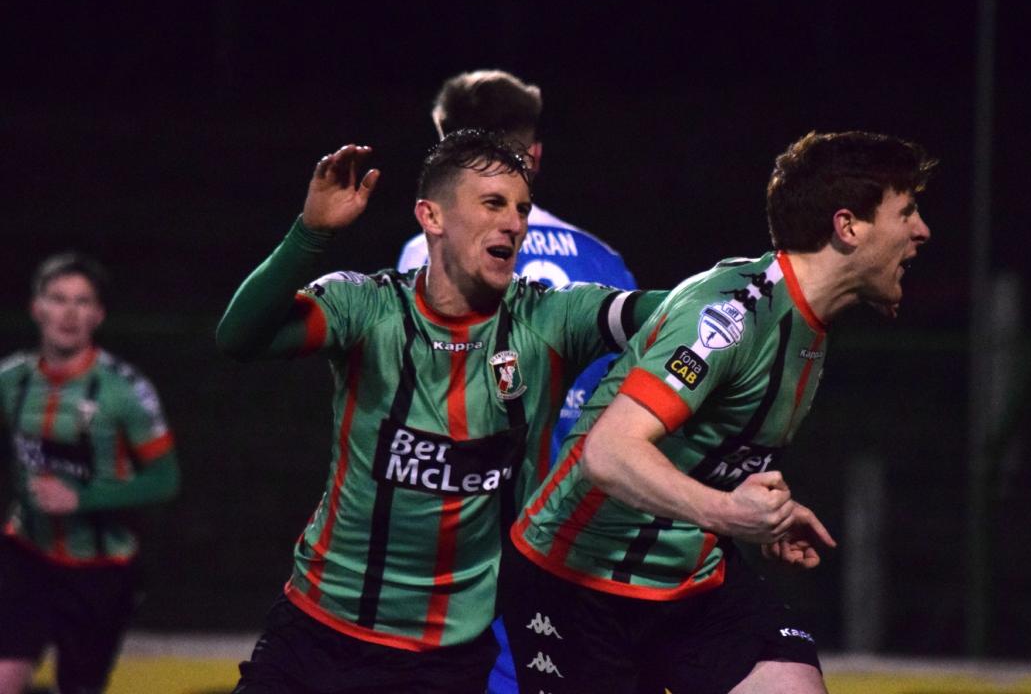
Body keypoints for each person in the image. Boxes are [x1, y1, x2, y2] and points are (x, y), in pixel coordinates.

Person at [217, 131, 660, 693]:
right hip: (317, 632)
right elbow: (239, 337)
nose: (515, 224)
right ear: (432, 216)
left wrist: (749, 287)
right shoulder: (367, 307)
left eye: (521, 208)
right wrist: (311, 233)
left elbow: (671, 311)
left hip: (445, 663)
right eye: (493, 204)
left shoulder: (550, 319)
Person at [507, 130, 937, 694]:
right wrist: (729, 512)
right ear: (848, 226)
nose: (922, 230)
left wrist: (761, 512)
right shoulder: (731, 315)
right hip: (579, 584)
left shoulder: (808, 319)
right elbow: (608, 453)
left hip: (691, 577)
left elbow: (708, 446)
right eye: (906, 212)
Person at [400, 71, 638, 693]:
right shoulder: (603, 259)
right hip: (586, 526)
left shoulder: (429, 249)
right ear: (534, 152)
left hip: (473, 530)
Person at [0, 253, 181, 694]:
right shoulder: (11, 381)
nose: (69, 313)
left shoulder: (125, 390)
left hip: (100, 571)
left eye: (82, 302)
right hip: (25, 551)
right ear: (37, 308)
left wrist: (82, 499)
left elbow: (166, 479)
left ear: (98, 315)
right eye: (58, 299)